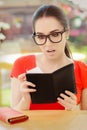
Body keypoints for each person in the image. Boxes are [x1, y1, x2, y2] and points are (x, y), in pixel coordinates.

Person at [10, 4, 87, 111]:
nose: (48, 44)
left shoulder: (82, 70)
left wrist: (73, 111)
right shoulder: (21, 65)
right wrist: (25, 101)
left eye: (55, 34)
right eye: (41, 36)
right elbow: (11, 119)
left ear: (67, 33)